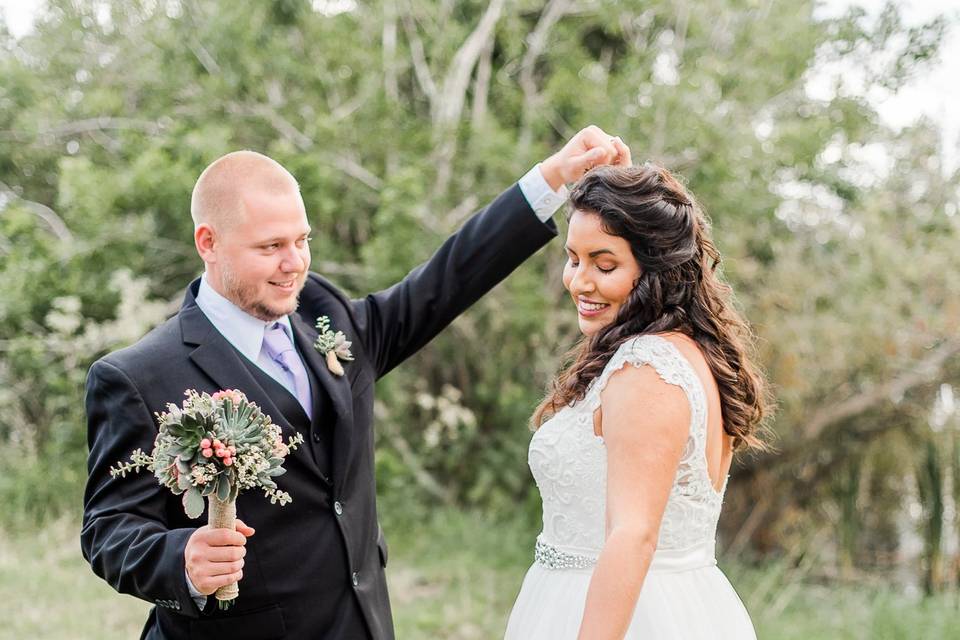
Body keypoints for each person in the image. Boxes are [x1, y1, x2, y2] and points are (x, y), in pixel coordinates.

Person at [81, 127, 631, 640]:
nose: (293, 263)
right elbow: (109, 529)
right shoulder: (138, 376)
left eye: (302, 240)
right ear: (209, 242)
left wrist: (553, 177)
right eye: (270, 247)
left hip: (361, 623)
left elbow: (446, 280)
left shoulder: (327, 317)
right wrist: (182, 559)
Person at [504, 163, 769, 639]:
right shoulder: (688, 352)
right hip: (678, 604)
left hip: (628, 617)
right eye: (574, 259)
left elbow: (634, 535)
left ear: (656, 270)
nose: (580, 281)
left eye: (605, 265)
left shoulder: (647, 368)